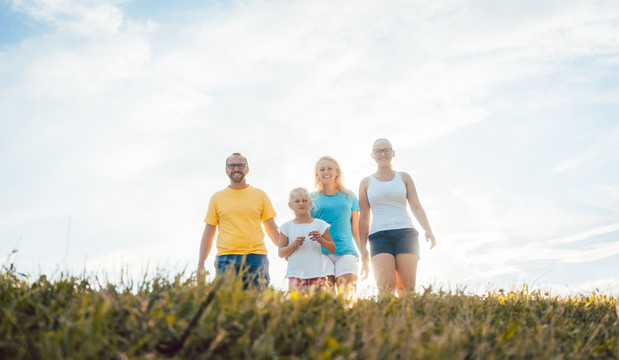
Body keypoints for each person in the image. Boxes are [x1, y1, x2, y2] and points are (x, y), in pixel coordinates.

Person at [358, 138, 436, 295]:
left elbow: (416, 206)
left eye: (386, 150)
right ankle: (386, 319)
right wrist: (362, 249)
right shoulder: (366, 182)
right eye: (378, 151)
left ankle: (407, 319)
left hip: (405, 233)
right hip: (378, 235)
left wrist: (428, 230)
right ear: (372, 156)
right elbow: (364, 217)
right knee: (385, 289)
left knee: (406, 289)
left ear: (393, 153)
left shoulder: (404, 177)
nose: (383, 154)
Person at [197, 153, 279, 289]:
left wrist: (285, 249)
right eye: (232, 165)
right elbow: (208, 234)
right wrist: (201, 264)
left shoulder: (260, 195)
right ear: (226, 170)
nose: (236, 168)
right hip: (226, 259)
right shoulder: (217, 198)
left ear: (247, 169)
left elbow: (271, 228)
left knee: (257, 304)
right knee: (226, 304)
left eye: (240, 165)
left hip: (256, 258)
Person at [310, 156, 369, 300]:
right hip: (320, 253)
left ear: (337, 171)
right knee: (326, 300)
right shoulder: (311, 198)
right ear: (317, 174)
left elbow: (355, 228)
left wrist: (364, 254)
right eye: (322, 169)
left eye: (329, 168)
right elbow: (305, 227)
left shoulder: (349, 196)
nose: (326, 172)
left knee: (347, 299)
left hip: (346, 251)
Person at [278, 187, 336, 292]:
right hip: (295, 276)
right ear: (290, 205)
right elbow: (281, 253)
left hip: (318, 275)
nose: (301, 203)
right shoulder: (286, 227)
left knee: (317, 306)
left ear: (310, 203)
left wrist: (321, 240)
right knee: (297, 306)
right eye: (297, 201)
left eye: (304, 200)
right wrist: (294, 245)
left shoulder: (320, 224)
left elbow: (332, 248)